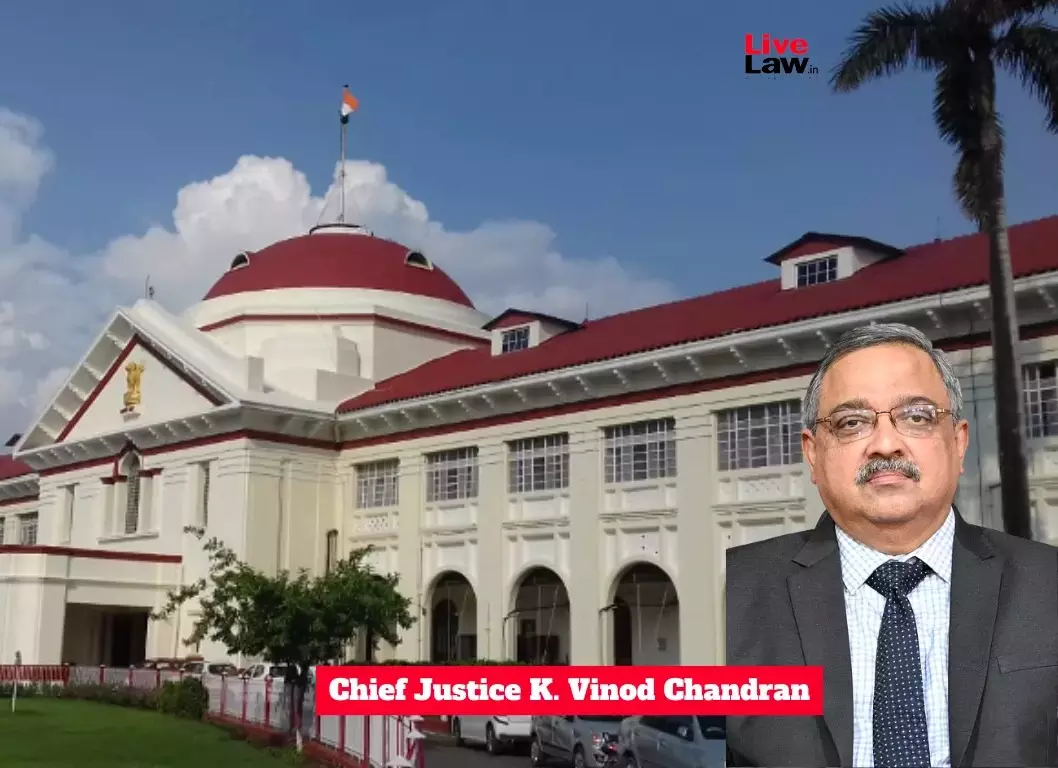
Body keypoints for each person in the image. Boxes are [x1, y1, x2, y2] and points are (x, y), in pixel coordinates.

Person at [725, 322, 1058, 768]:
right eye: (852, 423)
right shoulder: (737, 590)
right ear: (813, 454)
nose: (885, 444)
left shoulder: (1048, 584)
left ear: (958, 443)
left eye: (917, 417)